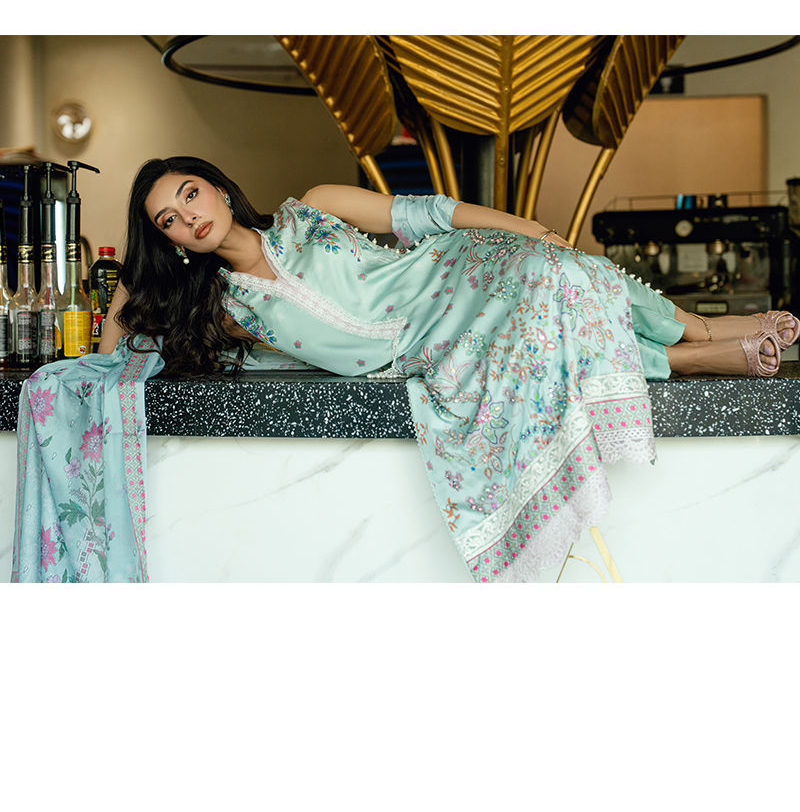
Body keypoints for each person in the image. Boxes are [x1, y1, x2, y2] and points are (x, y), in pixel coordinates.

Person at [13, 156, 800, 584]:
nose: (189, 214)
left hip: (451, 274)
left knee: (561, 273)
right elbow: (114, 338)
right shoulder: (226, 309)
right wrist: (140, 266)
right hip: (432, 347)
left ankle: (706, 330)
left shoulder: (311, 204)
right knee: (548, 333)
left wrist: (521, 225)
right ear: (173, 241)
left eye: (191, 193)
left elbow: (424, 213)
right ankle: (711, 352)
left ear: (218, 187)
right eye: (169, 220)